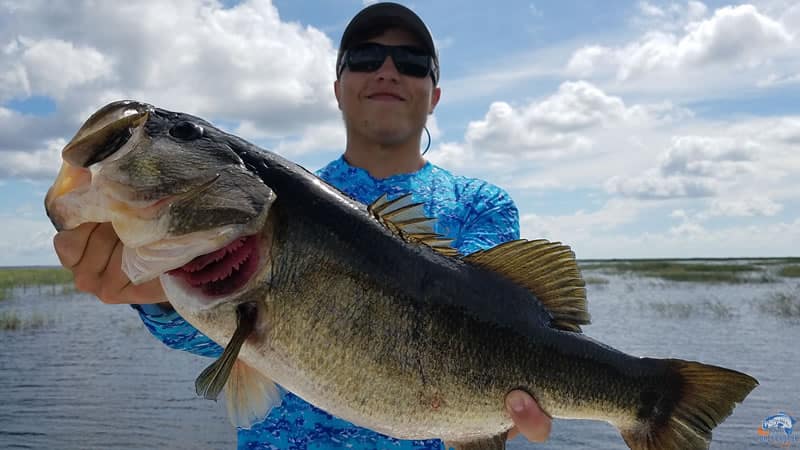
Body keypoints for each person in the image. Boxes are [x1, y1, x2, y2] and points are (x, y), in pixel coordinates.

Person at [53, 2, 552, 449]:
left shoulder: (481, 204)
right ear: (337, 89)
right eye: (364, 57)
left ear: (435, 94)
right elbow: (208, 338)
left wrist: (494, 415)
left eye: (412, 62)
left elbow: (508, 327)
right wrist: (162, 294)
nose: (386, 70)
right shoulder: (270, 198)